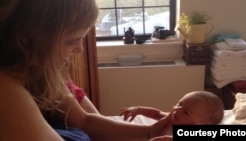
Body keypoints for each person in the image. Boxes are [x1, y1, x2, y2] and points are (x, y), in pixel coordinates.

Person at [0, 0, 171, 141]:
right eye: (70, 41)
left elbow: (83, 121)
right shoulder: (6, 90)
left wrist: (153, 132)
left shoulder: (40, 69)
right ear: (24, 37)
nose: (80, 49)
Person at [120, 91, 224, 140]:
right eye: (180, 104)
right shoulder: (172, 118)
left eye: (186, 112)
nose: (177, 110)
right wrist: (138, 110)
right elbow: (156, 113)